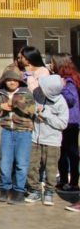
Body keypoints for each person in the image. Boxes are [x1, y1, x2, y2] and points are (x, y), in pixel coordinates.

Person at [0, 68, 36, 204]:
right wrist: (1, 106)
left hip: (23, 131)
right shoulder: (0, 93)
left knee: (22, 163)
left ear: (19, 81)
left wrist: (15, 103)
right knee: (5, 162)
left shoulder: (26, 92)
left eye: (14, 80)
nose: (11, 82)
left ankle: (19, 191)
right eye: (9, 80)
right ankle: (5, 189)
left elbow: (31, 110)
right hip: (7, 131)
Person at [25, 75, 68, 206]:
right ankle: (35, 189)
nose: (39, 88)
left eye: (43, 87)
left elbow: (63, 124)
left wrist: (46, 114)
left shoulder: (60, 102)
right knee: (32, 166)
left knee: (51, 168)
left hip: (52, 141)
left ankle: (49, 191)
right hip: (35, 138)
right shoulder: (38, 94)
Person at [51, 53, 80, 193]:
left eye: (52, 63)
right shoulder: (65, 79)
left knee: (71, 152)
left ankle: (73, 183)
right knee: (63, 152)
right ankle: (63, 180)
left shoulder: (69, 81)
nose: (50, 65)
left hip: (70, 122)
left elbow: (71, 100)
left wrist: (60, 88)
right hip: (65, 121)